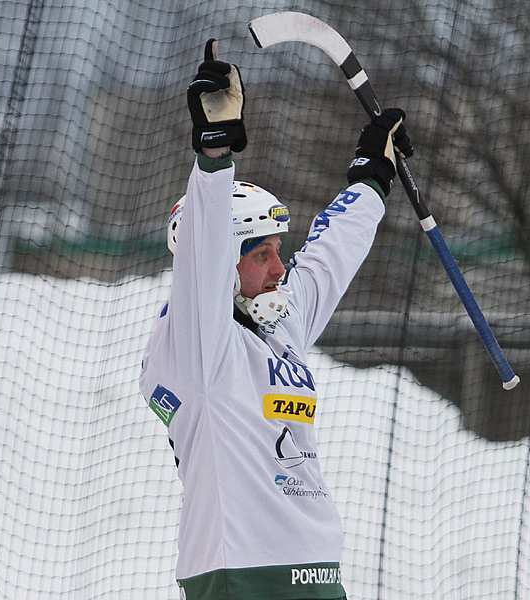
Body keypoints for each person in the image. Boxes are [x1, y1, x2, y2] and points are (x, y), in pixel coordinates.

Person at [139, 39, 412, 600]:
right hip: (241, 578)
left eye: (277, 250)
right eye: (260, 253)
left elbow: (330, 256)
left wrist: (372, 175)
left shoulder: (276, 328)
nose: (278, 267)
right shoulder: (194, 346)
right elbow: (205, 247)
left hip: (316, 572)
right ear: (221, 265)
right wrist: (215, 153)